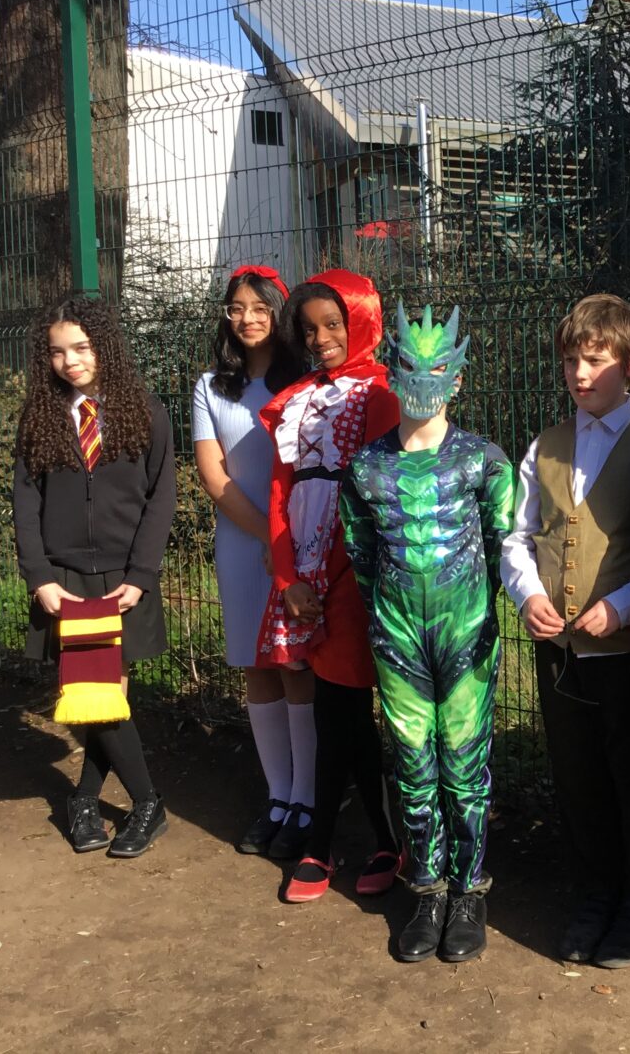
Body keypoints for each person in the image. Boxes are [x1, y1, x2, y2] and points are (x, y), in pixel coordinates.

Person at [340, 303, 515, 964]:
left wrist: (479, 615)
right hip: (397, 639)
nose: (422, 380)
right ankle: (428, 888)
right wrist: (388, 619)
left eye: (436, 367)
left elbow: (506, 546)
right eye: (408, 366)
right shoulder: (364, 469)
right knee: (412, 762)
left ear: (459, 379)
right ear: (388, 373)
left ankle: (471, 890)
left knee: (465, 762)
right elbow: (361, 553)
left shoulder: (485, 461)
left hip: (466, 636)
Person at [500, 294, 630, 969]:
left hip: (627, 652)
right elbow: (517, 534)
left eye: (594, 360)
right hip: (561, 651)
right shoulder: (545, 445)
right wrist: (529, 591)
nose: (579, 373)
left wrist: (624, 605)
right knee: (578, 776)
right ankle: (596, 891)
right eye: (570, 360)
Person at [12, 294, 176, 858]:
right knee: (90, 694)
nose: (71, 360)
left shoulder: (147, 412)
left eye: (81, 346)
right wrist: (39, 576)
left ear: (104, 344)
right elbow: (24, 502)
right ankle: (143, 802)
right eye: (57, 352)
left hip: (123, 580)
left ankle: (93, 800)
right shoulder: (38, 419)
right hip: (65, 581)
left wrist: (142, 572)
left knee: (105, 697)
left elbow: (161, 500)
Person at [256, 270, 401, 904]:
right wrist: (288, 576)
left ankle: (335, 840)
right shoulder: (298, 400)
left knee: (345, 707)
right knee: (332, 709)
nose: (319, 339)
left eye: (333, 325)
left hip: (355, 571)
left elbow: (382, 493)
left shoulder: (382, 395)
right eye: (309, 328)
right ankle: (368, 838)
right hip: (304, 574)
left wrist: (341, 574)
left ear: (362, 320)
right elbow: (280, 493)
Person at [192, 265, 312, 858]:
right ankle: (279, 795)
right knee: (257, 666)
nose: (247, 319)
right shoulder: (210, 386)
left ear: (279, 312)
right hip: (243, 544)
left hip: (305, 541)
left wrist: (288, 539)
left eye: (259, 307)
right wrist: (267, 534)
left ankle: (310, 799)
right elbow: (215, 477)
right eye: (236, 308)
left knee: (298, 665)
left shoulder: (308, 382)